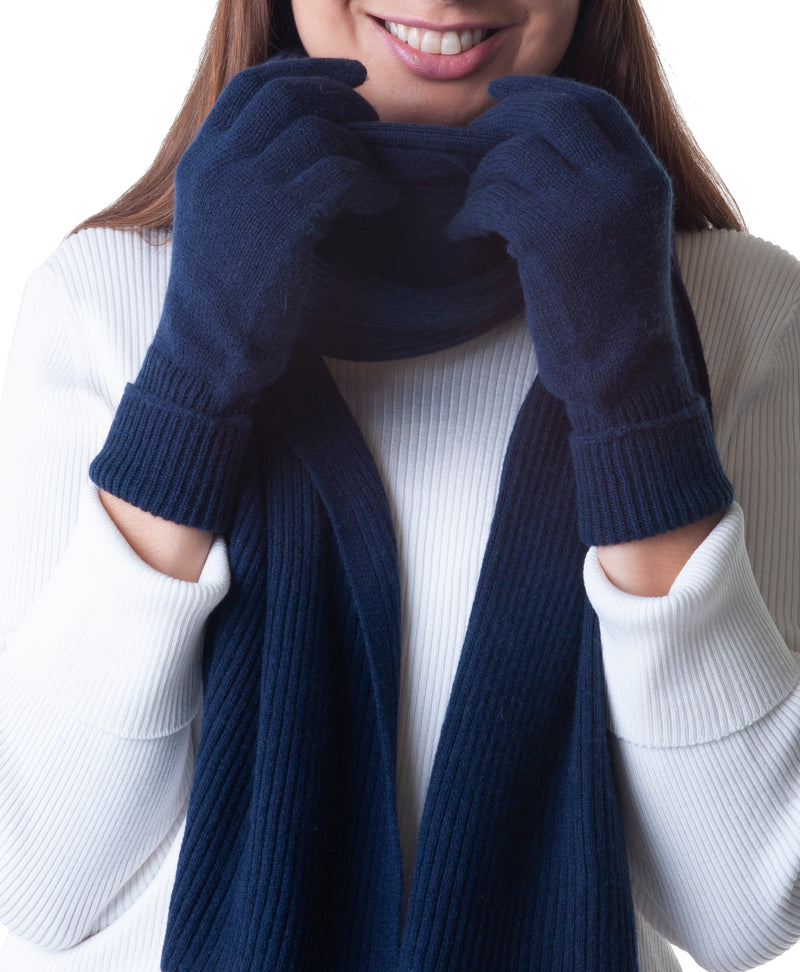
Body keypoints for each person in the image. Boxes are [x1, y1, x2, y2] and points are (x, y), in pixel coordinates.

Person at [1, 0, 798, 969]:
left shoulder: (737, 311)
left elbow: (744, 910)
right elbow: (40, 877)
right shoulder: (103, 302)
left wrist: (632, 393)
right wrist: (189, 380)